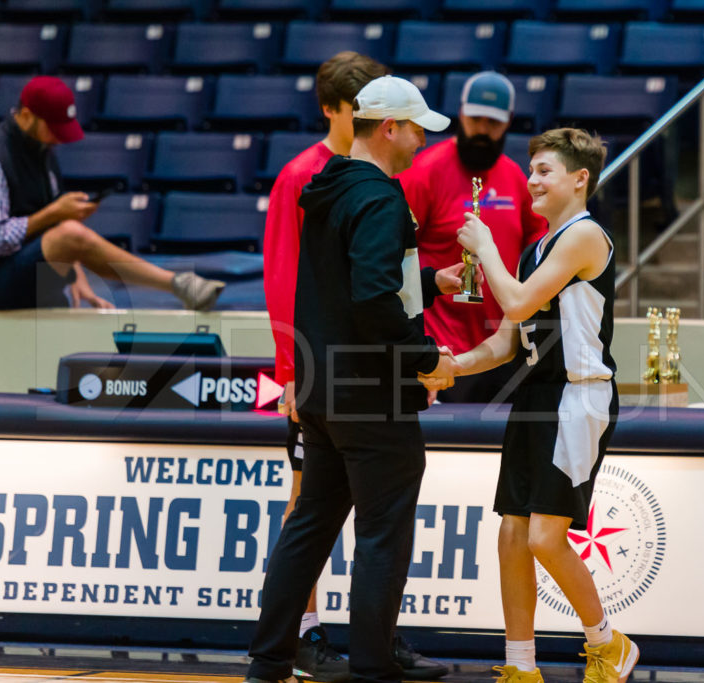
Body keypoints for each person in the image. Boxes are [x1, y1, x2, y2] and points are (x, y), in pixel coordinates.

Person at [243, 75, 457, 683]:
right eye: (416, 129)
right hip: (369, 391)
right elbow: (372, 298)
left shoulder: (328, 186)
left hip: (319, 387)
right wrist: (424, 356)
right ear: (389, 127)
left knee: (310, 522)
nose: (421, 142)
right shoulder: (380, 198)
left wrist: (428, 281)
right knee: (382, 531)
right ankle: (371, 662)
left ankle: (268, 659)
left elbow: (347, 283)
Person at [447, 128, 638, 682]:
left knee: (543, 537)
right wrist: (451, 365)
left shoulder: (585, 237)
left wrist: (483, 249)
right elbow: (506, 340)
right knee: (511, 533)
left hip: (578, 396)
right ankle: (520, 667)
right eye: (530, 170)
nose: (531, 179)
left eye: (544, 170)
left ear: (580, 179)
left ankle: (609, 643)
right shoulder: (537, 248)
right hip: (535, 394)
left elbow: (519, 298)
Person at [0, 76, 224, 311]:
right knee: (70, 232)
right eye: (54, 128)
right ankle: (177, 284)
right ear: (26, 116)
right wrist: (53, 213)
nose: (59, 138)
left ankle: (178, 284)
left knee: (69, 231)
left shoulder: (41, 148)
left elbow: (50, 228)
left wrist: (75, 274)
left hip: (26, 272)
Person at [399, 71, 546, 403]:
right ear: (461, 113)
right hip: (439, 348)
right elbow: (397, 257)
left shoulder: (516, 178)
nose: (482, 129)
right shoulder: (424, 173)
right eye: (475, 118)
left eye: (492, 122)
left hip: (504, 346)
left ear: (508, 121)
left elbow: (539, 249)